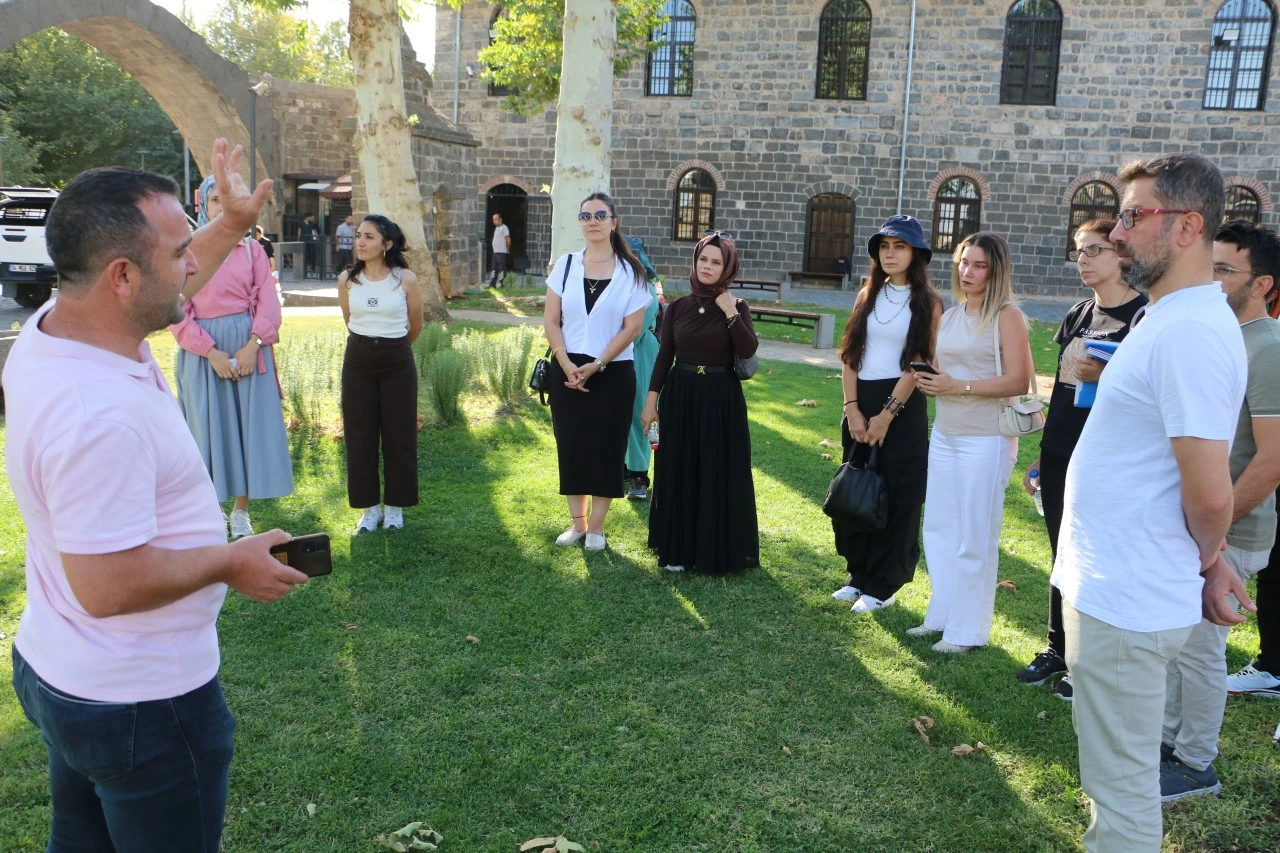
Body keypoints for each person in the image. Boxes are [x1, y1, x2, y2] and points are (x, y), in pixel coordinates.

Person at [3, 141, 309, 853]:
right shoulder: (97, 414)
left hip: (66, 671)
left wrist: (232, 223)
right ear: (121, 276)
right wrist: (231, 560)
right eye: (179, 254)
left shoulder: (55, 332)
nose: (193, 265)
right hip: (141, 706)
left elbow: (161, 271)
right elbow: (107, 584)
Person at [1051, 153, 1250, 852]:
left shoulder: (1190, 331)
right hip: (1116, 584)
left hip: (1126, 597)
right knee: (1115, 779)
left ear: (1188, 226)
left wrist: (1209, 557)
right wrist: (1210, 560)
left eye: (1135, 216)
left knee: (1123, 789)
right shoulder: (1168, 317)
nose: (1118, 232)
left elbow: (1209, 489)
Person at [1159, 219, 1280, 802]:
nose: (1213, 280)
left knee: (1201, 649)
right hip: (1203, 525)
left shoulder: (1269, 349)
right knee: (1180, 645)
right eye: (1212, 267)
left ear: (1263, 283)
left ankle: (1195, 763)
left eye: (1226, 270)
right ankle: (1168, 744)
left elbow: (1273, 459)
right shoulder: (1225, 337)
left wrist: (1216, 531)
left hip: (1233, 530)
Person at [1016, 219, 1147, 699]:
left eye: (1095, 249)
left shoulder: (1143, 315)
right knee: (1062, 552)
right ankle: (1058, 648)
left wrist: (1105, 375)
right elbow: (1061, 389)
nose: (1084, 260)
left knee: (1096, 556)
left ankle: (1088, 661)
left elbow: (1146, 394)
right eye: (1079, 251)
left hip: (1108, 455)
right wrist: (1042, 452)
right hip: (1061, 450)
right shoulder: (1078, 312)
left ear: (1121, 255)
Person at [913, 232, 1034, 652]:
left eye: (979, 265)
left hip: (986, 438)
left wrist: (958, 386)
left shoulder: (1007, 316)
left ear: (996, 271)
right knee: (939, 528)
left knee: (975, 536)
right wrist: (931, 380)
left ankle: (967, 631)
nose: (968, 271)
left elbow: (1019, 380)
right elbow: (943, 370)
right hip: (945, 433)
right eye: (964, 262)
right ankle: (942, 615)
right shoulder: (951, 315)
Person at [170, 175, 293, 540]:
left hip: (246, 346)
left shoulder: (253, 251)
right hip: (204, 353)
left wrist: (253, 344)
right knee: (205, 430)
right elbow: (177, 310)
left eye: (228, 201)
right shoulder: (186, 254)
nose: (221, 208)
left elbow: (267, 301)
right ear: (203, 206)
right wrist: (210, 352)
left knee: (245, 430)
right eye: (214, 201)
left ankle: (241, 511)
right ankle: (208, 510)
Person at [830, 215, 942, 612]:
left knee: (898, 495)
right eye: (884, 246)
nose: (890, 254)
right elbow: (850, 355)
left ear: (916, 253)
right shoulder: (867, 294)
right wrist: (852, 409)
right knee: (857, 489)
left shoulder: (928, 301)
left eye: (899, 246)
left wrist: (886, 415)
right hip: (860, 402)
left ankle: (884, 584)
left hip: (902, 407)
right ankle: (858, 575)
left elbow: (919, 363)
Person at [642, 231, 760, 574]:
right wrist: (651, 402)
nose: (707, 266)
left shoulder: (737, 306)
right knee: (678, 468)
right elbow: (664, 356)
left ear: (728, 268)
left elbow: (748, 350)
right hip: (681, 395)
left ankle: (713, 549)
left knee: (716, 470)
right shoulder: (678, 307)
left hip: (721, 398)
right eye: (703, 259)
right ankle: (678, 549)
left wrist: (730, 312)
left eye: (716, 262)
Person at [543, 192, 653, 552]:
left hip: (613, 371)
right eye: (586, 215)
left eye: (600, 215)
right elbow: (551, 320)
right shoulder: (566, 265)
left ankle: (597, 528)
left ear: (613, 222)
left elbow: (632, 328)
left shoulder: (631, 272)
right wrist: (565, 363)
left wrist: (598, 364)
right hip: (567, 368)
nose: (593, 221)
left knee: (607, 448)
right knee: (572, 446)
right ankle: (577, 524)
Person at [338, 215, 424, 533]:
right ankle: (369, 509)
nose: (360, 242)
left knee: (399, 435)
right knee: (359, 435)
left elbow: (416, 324)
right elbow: (349, 319)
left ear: (386, 244)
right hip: (358, 362)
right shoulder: (347, 279)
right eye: (359, 235)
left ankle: (395, 509)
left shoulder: (405, 279)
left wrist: (393, 348)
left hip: (397, 362)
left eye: (369, 237)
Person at [625, 236, 662, 501]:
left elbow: (634, 333)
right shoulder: (616, 286)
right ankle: (623, 469)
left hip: (640, 355)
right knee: (618, 415)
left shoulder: (647, 289)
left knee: (641, 414)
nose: (631, 260)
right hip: (616, 355)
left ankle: (639, 477)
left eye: (635, 255)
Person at [490, 212, 511, 288]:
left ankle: (502, 284)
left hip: (501, 252)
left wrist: (508, 247)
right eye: (493, 219)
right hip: (495, 251)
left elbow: (508, 238)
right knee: (494, 268)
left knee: (501, 268)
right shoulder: (497, 228)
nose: (494, 220)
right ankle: (492, 284)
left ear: (500, 219)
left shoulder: (504, 228)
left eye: (496, 219)